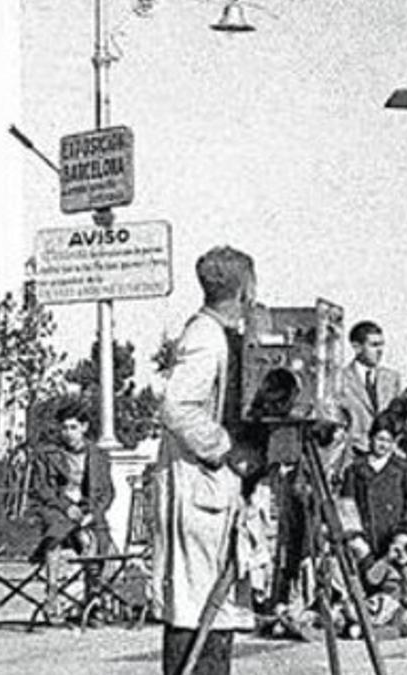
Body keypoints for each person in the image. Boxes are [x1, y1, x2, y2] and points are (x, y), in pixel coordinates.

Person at [152, 245, 260, 675]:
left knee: (213, 608)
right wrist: (226, 450)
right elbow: (177, 407)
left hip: (210, 494)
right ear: (245, 287)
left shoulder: (218, 334)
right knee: (196, 607)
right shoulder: (204, 336)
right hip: (198, 491)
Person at [30, 400, 115, 564]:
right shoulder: (49, 455)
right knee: (55, 538)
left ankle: (94, 587)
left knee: (96, 545)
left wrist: (93, 513)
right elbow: (42, 488)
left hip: (88, 511)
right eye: (64, 428)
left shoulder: (99, 456)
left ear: (84, 427)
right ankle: (53, 586)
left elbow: (107, 493)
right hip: (58, 510)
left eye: (73, 428)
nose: (68, 433)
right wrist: (66, 507)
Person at [342, 410, 407, 563]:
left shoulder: (403, 470)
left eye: (389, 441)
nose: (383, 445)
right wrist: (355, 535)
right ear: (371, 438)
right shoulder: (355, 469)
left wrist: (404, 532)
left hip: (393, 538)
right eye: (380, 439)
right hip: (364, 538)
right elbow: (348, 504)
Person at [340, 321, 401, 456]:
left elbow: (397, 419)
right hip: (354, 457)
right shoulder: (340, 380)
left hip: (386, 458)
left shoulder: (392, 378)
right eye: (374, 345)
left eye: (381, 345)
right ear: (357, 347)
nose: (380, 351)